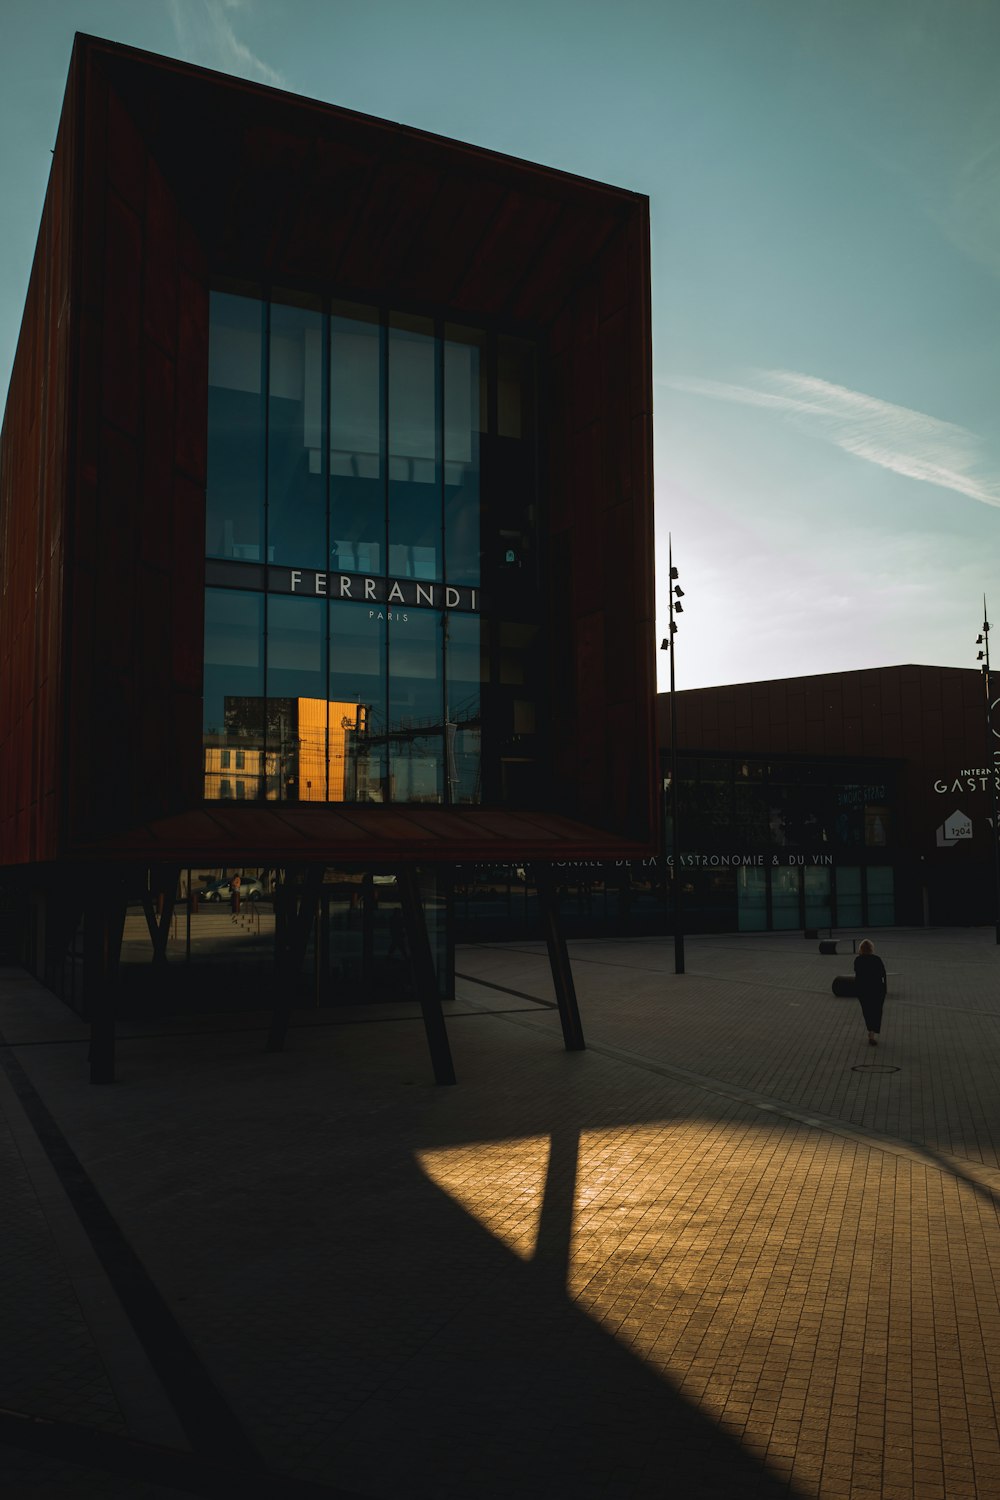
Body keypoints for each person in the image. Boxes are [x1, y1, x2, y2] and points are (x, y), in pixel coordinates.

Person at [853, 938, 887, 1045]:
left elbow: (857, 974)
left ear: (861, 949)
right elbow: (882, 974)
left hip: (863, 989)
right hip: (877, 989)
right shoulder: (877, 959)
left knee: (867, 1011)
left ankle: (870, 1030)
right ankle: (872, 1032)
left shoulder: (858, 960)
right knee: (877, 1011)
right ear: (872, 948)